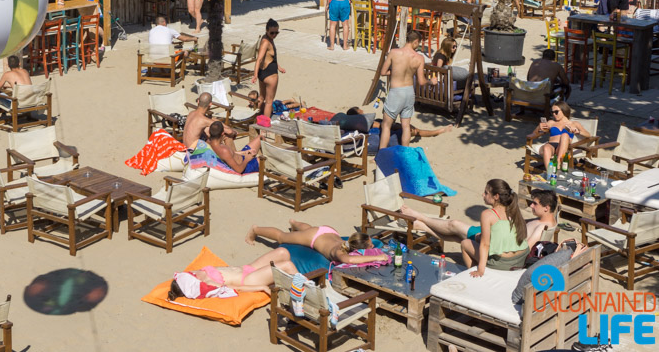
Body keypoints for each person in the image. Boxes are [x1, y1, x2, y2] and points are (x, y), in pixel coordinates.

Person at [401, 184, 556, 270]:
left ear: (547, 208)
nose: (531, 205)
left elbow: (525, 247)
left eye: (535, 203)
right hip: (499, 239)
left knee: (454, 225)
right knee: (455, 234)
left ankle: (420, 217)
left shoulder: (541, 227)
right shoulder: (546, 221)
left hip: (500, 248)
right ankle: (423, 226)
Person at [169, 246, 299, 298]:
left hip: (248, 268)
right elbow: (235, 287)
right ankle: (309, 296)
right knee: (288, 265)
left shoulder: (195, 273)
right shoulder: (207, 284)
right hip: (248, 279)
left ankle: (290, 287)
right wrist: (262, 287)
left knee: (283, 252)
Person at [245, 220, 383, 265]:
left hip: (329, 232)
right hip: (315, 237)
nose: (372, 246)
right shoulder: (339, 251)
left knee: (308, 230)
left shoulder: (350, 243)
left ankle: (295, 223)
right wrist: (377, 257)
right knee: (282, 237)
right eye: (370, 245)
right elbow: (349, 260)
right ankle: (255, 230)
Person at [379, 30, 431, 149]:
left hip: (396, 92)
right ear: (415, 42)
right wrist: (430, 82)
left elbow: (383, 72)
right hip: (409, 92)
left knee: (386, 125)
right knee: (406, 126)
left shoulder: (394, 52)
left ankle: (381, 154)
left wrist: (395, 71)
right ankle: (405, 153)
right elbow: (422, 81)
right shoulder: (419, 58)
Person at [529, 101, 590, 167]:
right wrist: (539, 127)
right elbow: (534, 134)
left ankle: (558, 164)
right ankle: (549, 173)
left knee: (565, 135)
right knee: (546, 147)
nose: (554, 114)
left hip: (563, 147)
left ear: (564, 110)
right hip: (550, 146)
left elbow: (588, 135)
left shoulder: (574, 124)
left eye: (556, 112)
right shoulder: (551, 122)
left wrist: (578, 132)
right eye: (552, 112)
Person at [252, 19, 285, 118]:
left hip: (264, 73)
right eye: (272, 33)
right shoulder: (266, 42)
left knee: (261, 98)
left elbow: (271, 57)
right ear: (267, 31)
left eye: (276, 33)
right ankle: (265, 125)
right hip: (269, 75)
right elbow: (259, 59)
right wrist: (255, 75)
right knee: (269, 102)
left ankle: (256, 117)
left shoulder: (266, 38)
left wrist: (279, 67)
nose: (274, 35)